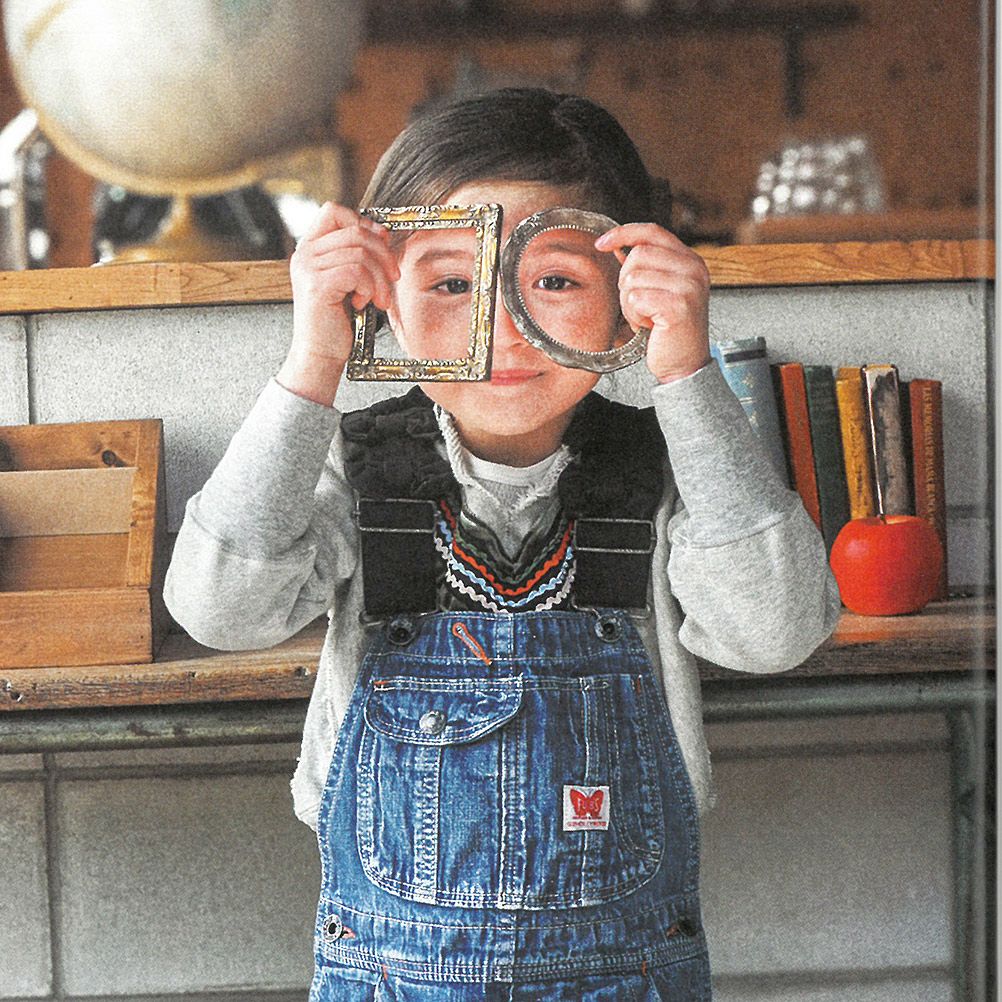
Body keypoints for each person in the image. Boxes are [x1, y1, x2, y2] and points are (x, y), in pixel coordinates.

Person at [164, 88, 840, 1001]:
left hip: (629, 976)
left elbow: (776, 632)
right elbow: (218, 612)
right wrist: (314, 361)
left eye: (555, 281)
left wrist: (685, 369)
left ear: (626, 298)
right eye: (452, 283)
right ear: (382, 301)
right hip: (390, 978)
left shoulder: (667, 471)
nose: (504, 326)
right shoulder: (352, 470)